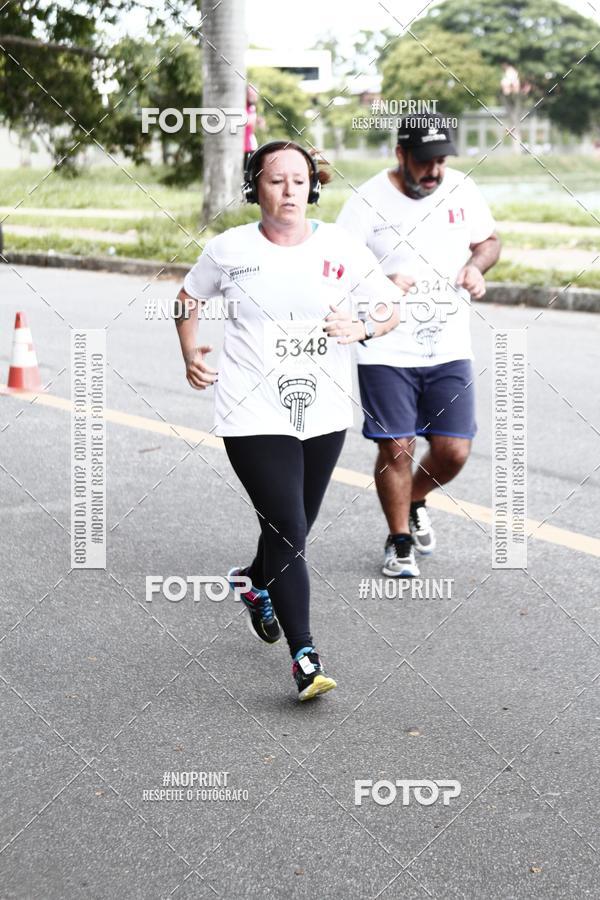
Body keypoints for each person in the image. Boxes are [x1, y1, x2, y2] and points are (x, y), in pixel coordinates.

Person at [175, 140, 401, 701]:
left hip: (323, 410)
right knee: (291, 534)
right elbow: (186, 299)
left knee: (292, 524)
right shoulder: (229, 249)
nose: (289, 191)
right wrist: (191, 351)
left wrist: (364, 330)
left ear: (313, 187)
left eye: (299, 180)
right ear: (256, 189)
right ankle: (305, 658)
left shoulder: (343, 248)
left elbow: (390, 305)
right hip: (250, 410)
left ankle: (254, 581)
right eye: (277, 180)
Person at [337, 113, 501, 577]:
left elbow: (488, 240)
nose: (434, 171)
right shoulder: (366, 201)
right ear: (401, 155)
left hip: (448, 346)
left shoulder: (461, 191)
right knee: (397, 449)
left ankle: (416, 497)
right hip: (384, 348)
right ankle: (399, 539)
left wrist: (477, 267)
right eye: (425, 161)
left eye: (441, 161)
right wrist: (378, 281)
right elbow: (334, 267)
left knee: (454, 451)